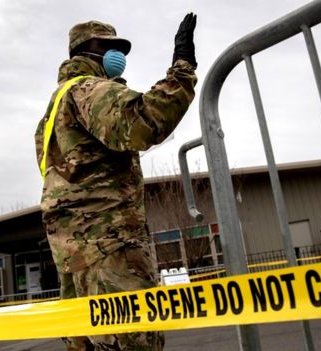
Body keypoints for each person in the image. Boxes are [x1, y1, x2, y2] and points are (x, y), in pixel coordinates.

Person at [35, 13, 198, 351]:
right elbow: (144, 120)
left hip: (74, 255)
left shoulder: (53, 110)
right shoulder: (86, 90)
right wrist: (182, 68)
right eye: (108, 47)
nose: (118, 55)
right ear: (86, 50)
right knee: (134, 342)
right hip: (110, 249)